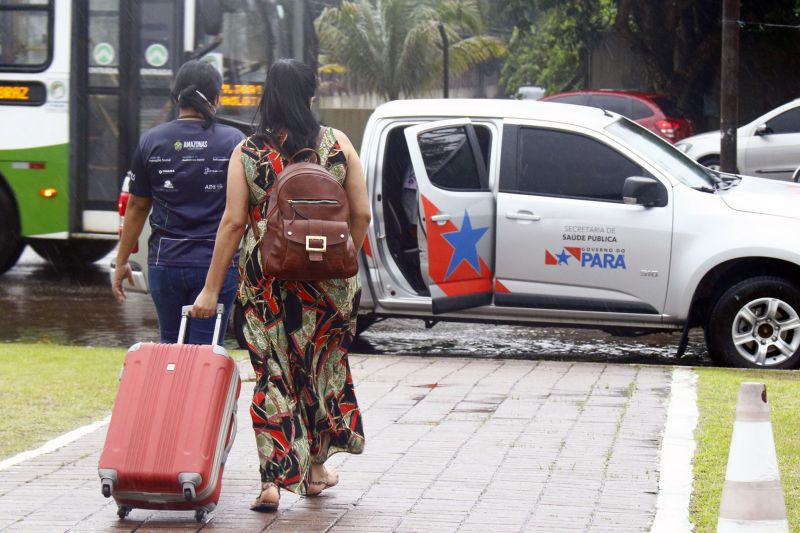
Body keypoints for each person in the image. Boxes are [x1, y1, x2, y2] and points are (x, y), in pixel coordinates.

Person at [191, 59, 370, 512]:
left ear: (267, 95)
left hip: (266, 284)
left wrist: (211, 291)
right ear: (311, 95)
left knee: (272, 375)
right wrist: (342, 261)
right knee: (318, 373)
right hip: (328, 287)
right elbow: (362, 214)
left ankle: (273, 480)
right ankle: (314, 472)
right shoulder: (337, 145)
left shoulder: (248, 152)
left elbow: (233, 224)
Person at [112, 60, 244, 344]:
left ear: (176, 97)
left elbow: (136, 207)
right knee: (205, 354)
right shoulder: (234, 141)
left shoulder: (152, 141)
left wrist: (121, 261)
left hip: (165, 264)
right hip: (216, 265)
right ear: (217, 98)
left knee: (170, 350)